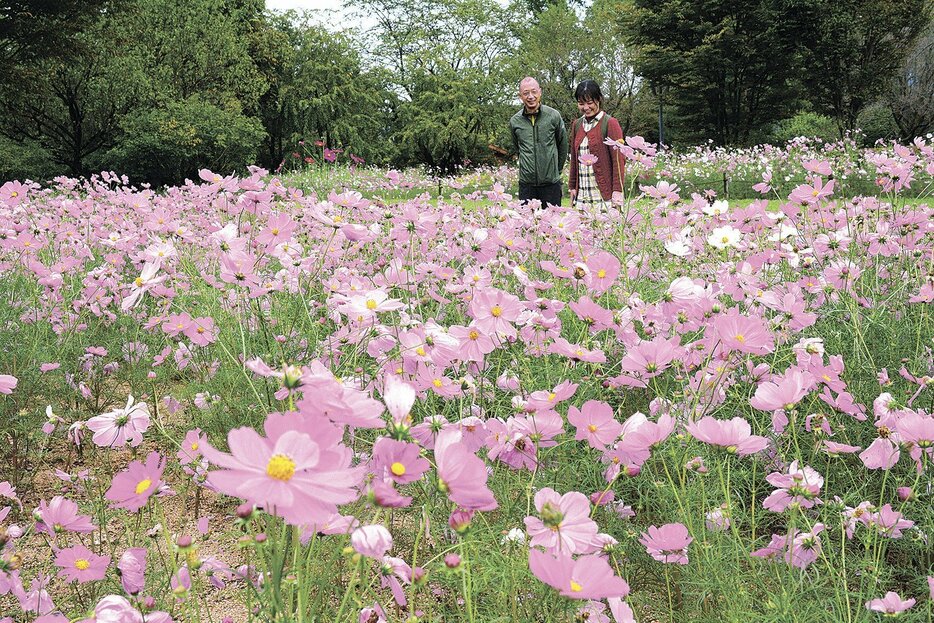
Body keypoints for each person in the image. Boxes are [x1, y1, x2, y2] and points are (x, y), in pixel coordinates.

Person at [509, 77, 568, 208]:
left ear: (540, 92)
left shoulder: (553, 116)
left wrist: (555, 171)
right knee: (527, 226)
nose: (531, 96)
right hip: (527, 185)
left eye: (534, 92)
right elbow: (518, 148)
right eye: (526, 93)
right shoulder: (515, 121)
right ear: (520, 96)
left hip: (551, 185)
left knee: (551, 226)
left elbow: (563, 145)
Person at [567, 80, 625, 210]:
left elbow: (618, 160)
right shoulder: (577, 125)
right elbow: (574, 160)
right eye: (581, 104)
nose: (586, 108)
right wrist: (572, 187)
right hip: (582, 195)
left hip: (604, 196)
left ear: (598, 99)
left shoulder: (610, 123)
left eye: (589, 103)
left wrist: (617, 190)